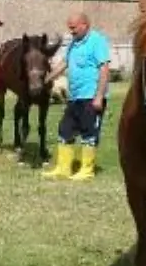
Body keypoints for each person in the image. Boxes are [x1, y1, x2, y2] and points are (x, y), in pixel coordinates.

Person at [42, 12, 111, 181]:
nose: (71, 31)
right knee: (65, 130)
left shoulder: (97, 41)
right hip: (74, 98)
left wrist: (99, 97)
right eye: (69, 28)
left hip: (91, 96)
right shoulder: (74, 44)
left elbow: (104, 69)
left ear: (84, 25)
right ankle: (63, 168)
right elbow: (64, 63)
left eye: (73, 28)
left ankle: (87, 170)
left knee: (89, 132)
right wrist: (46, 79)